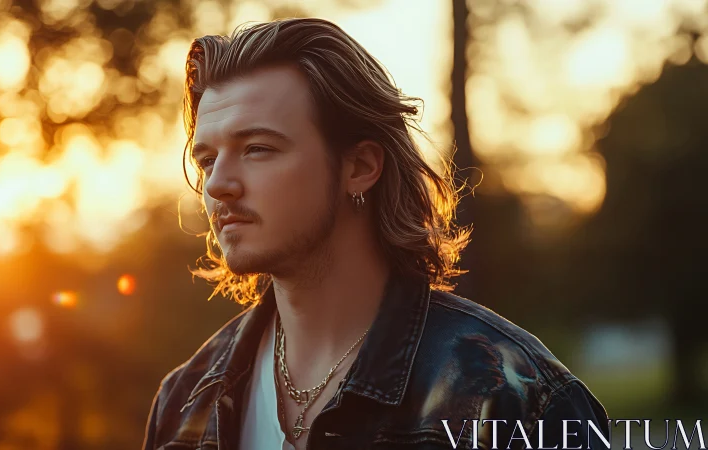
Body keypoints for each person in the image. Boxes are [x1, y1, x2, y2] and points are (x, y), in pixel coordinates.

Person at [143, 17, 609, 450]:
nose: (218, 185)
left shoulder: (510, 400)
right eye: (206, 160)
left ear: (361, 167)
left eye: (258, 148)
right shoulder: (185, 401)